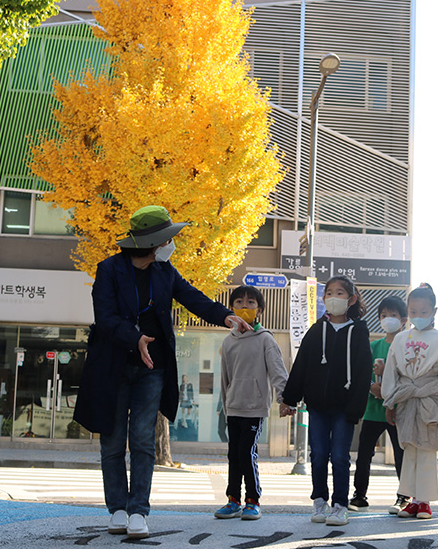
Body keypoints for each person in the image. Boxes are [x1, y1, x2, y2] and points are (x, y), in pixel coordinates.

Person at [74, 205, 248, 540]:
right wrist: (135, 338)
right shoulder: (109, 270)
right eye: (169, 237)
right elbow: (105, 317)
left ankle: (138, 510)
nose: (173, 243)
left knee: (142, 438)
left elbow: (194, 299)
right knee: (112, 441)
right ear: (154, 242)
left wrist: (226, 316)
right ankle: (118, 509)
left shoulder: (165, 271)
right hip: (113, 367)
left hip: (153, 368)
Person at [280, 276, 372, 527]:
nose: (334, 297)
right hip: (317, 406)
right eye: (329, 293)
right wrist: (289, 398)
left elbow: (364, 373)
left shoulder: (359, 331)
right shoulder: (316, 330)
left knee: (340, 456)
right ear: (323, 299)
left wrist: (356, 409)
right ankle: (319, 500)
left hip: (344, 408)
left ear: (351, 299)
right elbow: (301, 366)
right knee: (319, 454)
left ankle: (340, 505)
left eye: (340, 293)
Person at [382, 283, 438, 520]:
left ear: (434, 311)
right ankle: (411, 499)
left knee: (426, 449)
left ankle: (424, 502)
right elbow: (391, 371)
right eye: (413, 312)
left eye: (423, 312)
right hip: (406, 399)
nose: (417, 317)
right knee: (409, 449)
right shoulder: (401, 338)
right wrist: (389, 401)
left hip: (429, 398)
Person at [214, 285, 289, 521]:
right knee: (233, 455)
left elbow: (278, 370)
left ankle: (253, 500)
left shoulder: (265, 339)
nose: (244, 306)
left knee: (247, 453)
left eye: (250, 303)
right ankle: (233, 500)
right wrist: (226, 407)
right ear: (231, 308)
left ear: (259, 309)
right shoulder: (228, 342)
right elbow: (226, 378)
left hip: (254, 407)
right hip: (234, 407)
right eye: (238, 302)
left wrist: (284, 398)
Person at [349, 296, 410, 515]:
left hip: (398, 411)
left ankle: (404, 497)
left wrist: (388, 376)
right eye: (384, 315)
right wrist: (370, 387)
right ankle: (359, 495)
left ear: (403, 319)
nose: (388, 319)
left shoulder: (407, 346)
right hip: (373, 410)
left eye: (393, 315)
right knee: (364, 454)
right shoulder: (373, 346)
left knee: (401, 454)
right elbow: (360, 373)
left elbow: (410, 376)